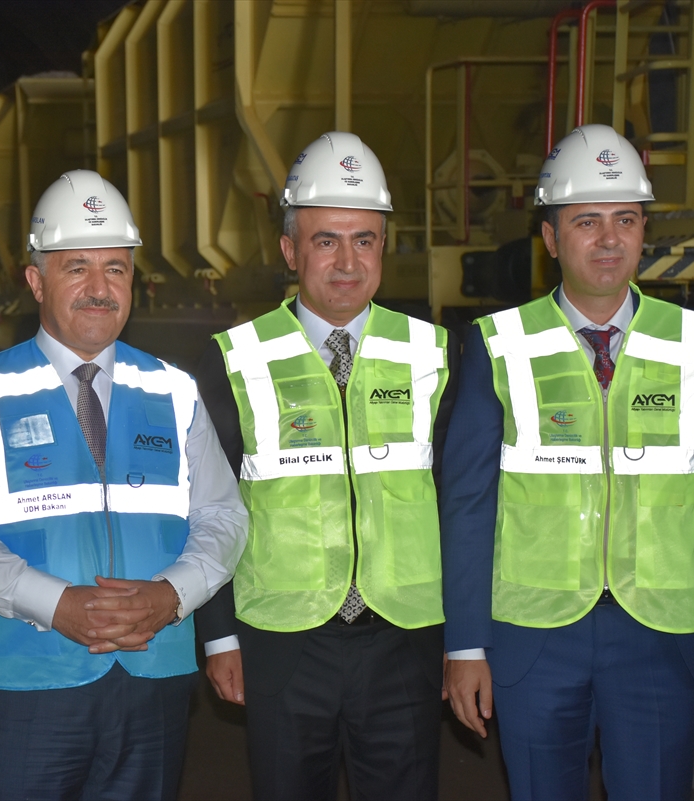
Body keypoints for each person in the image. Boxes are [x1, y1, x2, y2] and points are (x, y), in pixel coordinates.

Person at [442, 124, 694, 801]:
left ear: (644, 232)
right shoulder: (498, 345)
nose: (609, 238)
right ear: (551, 238)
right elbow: (467, 507)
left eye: (626, 219)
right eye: (587, 221)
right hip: (533, 638)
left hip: (658, 637)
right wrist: (465, 645)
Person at [0, 169, 248, 800]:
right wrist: (55, 604)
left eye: (115, 268)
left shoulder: (173, 390)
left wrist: (173, 596)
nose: (99, 289)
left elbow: (224, 516)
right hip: (32, 680)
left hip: (155, 675)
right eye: (77, 268)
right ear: (36, 281)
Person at [194, 132, 457, 800]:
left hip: (404, 639)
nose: (347, 261)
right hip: (283, 643)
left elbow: (462, 504)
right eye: (326, 240)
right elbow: (207, 508)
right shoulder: (234, 360)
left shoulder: (435, 354)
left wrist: (465, 642)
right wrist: (219, 636)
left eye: (364, 240)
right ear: (290, 250)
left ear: (384, 246)